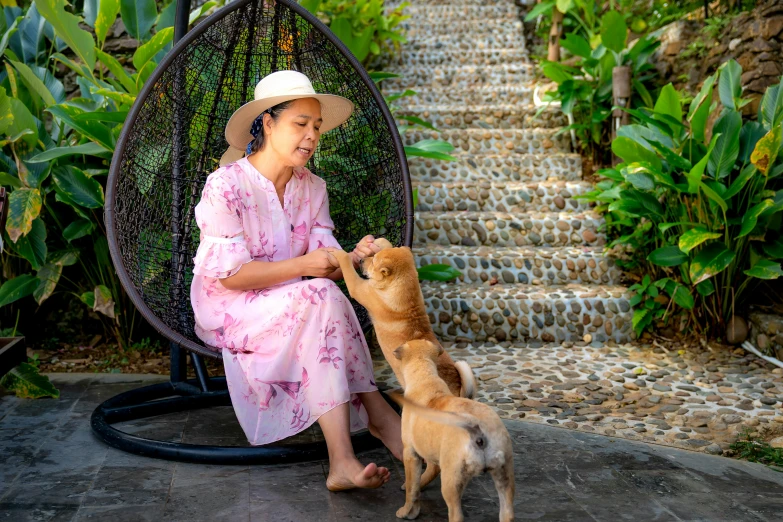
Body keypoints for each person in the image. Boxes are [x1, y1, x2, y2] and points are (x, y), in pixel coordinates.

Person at [190, 70, 402, 491]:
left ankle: (347, 454)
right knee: (317, 293)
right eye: (300, 124)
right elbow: (230, 277)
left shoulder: (314, 187)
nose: (311, 136)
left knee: (320, 293)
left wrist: (353, 257)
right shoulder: (226, 186)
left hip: (298, 299)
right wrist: (307, 266)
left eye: (317, 127)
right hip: (232, 307)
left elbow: (326, 259)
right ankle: (379, 422)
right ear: (268, 124)